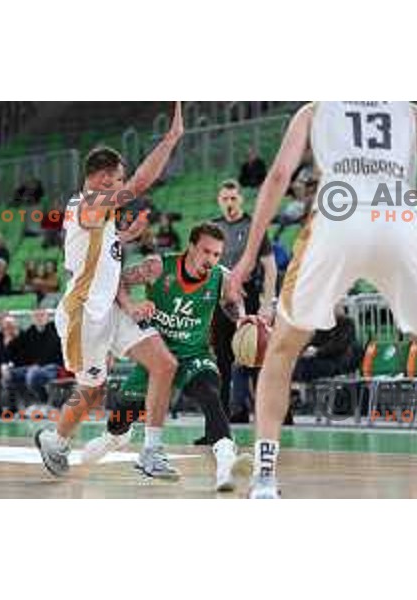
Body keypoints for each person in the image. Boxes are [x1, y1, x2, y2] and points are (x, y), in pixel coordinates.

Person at [229, 101, 417, 499]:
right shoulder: (410, 112)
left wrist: (249, 255)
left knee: (283, 350)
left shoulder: (315, 110)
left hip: (338, 220)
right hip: (397, 221)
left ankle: (266, 477)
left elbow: (277, 179)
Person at [35, 101, 185, 480]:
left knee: (164, 363)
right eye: (117, 179)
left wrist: (122, 238)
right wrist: (170, 140)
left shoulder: (102, 218)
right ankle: (56, 439)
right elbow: (138, 185)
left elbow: (104, 258)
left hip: (110, 311)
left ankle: (151, 452)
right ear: (103, 180)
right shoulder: (84, 204)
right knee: (92, 391)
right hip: (83, 314)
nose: (122, 185)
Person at [83, 223, 252, 492]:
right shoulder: (157, 267)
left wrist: (242, 319)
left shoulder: (221, 277)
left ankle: (226, 461)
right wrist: (132, 306)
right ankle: (115, 437)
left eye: (217, 255)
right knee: (121, 418)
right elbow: (116, 280)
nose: (211, 259)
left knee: (210, 393)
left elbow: (233, 302)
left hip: (193, 354)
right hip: (156, 353)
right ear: (192, 247)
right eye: (206, 251)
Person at [211, 180, 277, 421]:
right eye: (225, 198)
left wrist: (267, 303)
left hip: (248, 297)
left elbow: (270, 268)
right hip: (219, 300)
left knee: (257, 356)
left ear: (241, 199)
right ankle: (219, 425)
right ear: (219, 201)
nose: (229, 203)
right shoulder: (212, 228)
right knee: (221, 362)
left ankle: (268, 418)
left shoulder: (254, 226)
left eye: (233, 198)